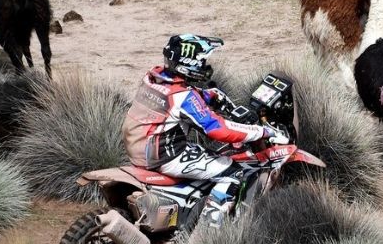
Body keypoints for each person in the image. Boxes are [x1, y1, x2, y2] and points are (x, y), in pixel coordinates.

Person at [122, 34, 287, 228]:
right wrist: (262, 132)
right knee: (232, 171)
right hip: (164, 157)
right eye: (201, 62)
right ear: (187, 64)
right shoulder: (184, 97)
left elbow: (174, 94)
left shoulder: (152, 78)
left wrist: (206, 95)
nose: (204, 66)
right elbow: (219, 129)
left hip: (140, 147)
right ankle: (208, 231)